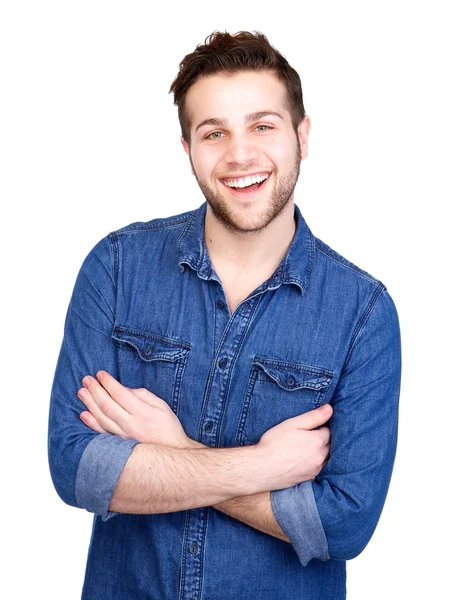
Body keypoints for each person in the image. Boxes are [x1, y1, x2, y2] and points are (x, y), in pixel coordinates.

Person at [48, 30, 401, 600]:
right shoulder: (116, 267)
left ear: (302, 136)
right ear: (188, 148)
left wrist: (170, 450)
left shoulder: (363, 312)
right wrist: (264, 468)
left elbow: (342, 525)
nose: (240, 155)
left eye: (263, 125)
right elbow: (77, 468)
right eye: (215, 133)